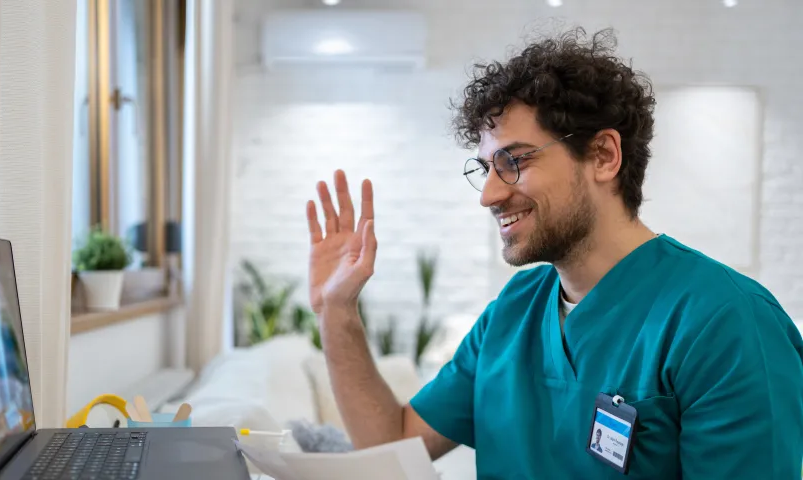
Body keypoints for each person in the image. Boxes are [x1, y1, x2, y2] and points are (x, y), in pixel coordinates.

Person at [304, 27, 803, 479]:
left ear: (604, 155)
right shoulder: (513, 311)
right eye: (485, 169)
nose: (489, 195)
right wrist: (337, 311)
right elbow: (392, 441)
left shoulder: (726, 322)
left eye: (515, 161)